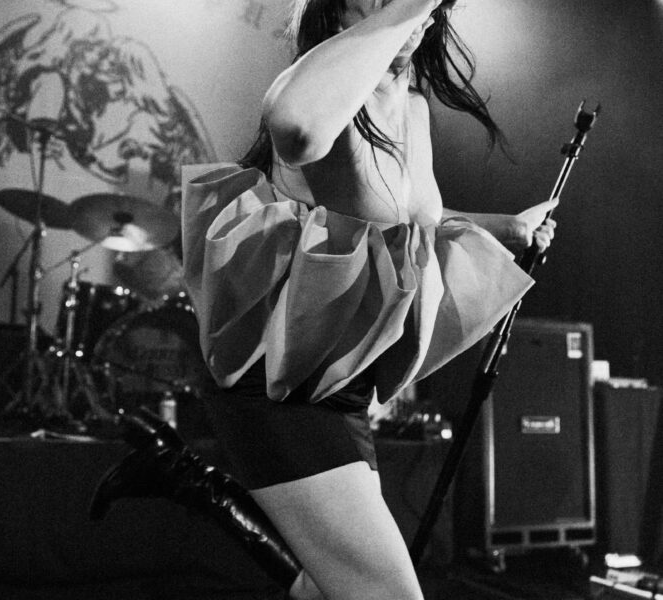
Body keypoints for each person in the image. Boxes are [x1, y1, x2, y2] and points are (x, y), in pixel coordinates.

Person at [103, 1, 557, 599]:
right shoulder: (320, 88)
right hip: (282, 384)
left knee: (324, 591)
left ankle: (191, 481)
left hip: (345, 386)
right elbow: (296, 131)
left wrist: (507, 228)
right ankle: (193, 482)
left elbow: (408, 219)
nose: (417, 15)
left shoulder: (412, 108)